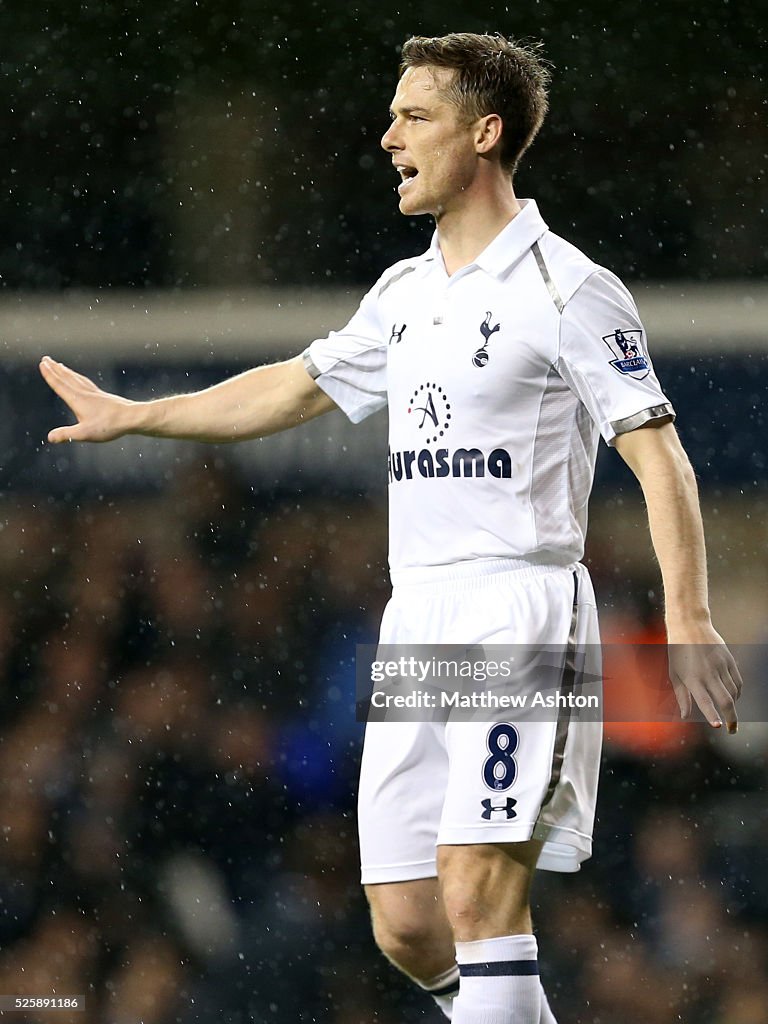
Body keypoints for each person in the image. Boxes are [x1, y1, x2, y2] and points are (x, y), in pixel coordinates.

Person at [40, 31, 742, 1024]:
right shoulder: (404, 294)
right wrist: (139, 414)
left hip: (517, 606)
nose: (388, 137)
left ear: (485, 133)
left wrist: (689, 614)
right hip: (420, 617)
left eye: (415, 116)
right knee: (408, 921)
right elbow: (293, 385)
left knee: (476, 890)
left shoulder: (570, 290)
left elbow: (658, 453)